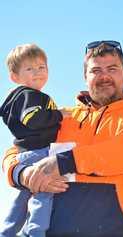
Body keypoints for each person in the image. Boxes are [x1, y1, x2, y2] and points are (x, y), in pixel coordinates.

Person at [2, 40, 123, 237]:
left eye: (112, 69)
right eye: (95, 70)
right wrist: (20, 173)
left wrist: (63, 161)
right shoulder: (62, 116)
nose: (104, 76)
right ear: (85, 76)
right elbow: (17, 151)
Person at [0, 43, 69, 237]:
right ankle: (36, 232)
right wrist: (59, 114)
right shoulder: (30, 95)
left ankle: (7, 231)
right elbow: (33, 119)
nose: (37, 72)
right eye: (29, 68)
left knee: (22, 196)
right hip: (39, 152)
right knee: (44, 191)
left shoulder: (17, 98)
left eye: (41, 67)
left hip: (25, 154)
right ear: (15, 77)